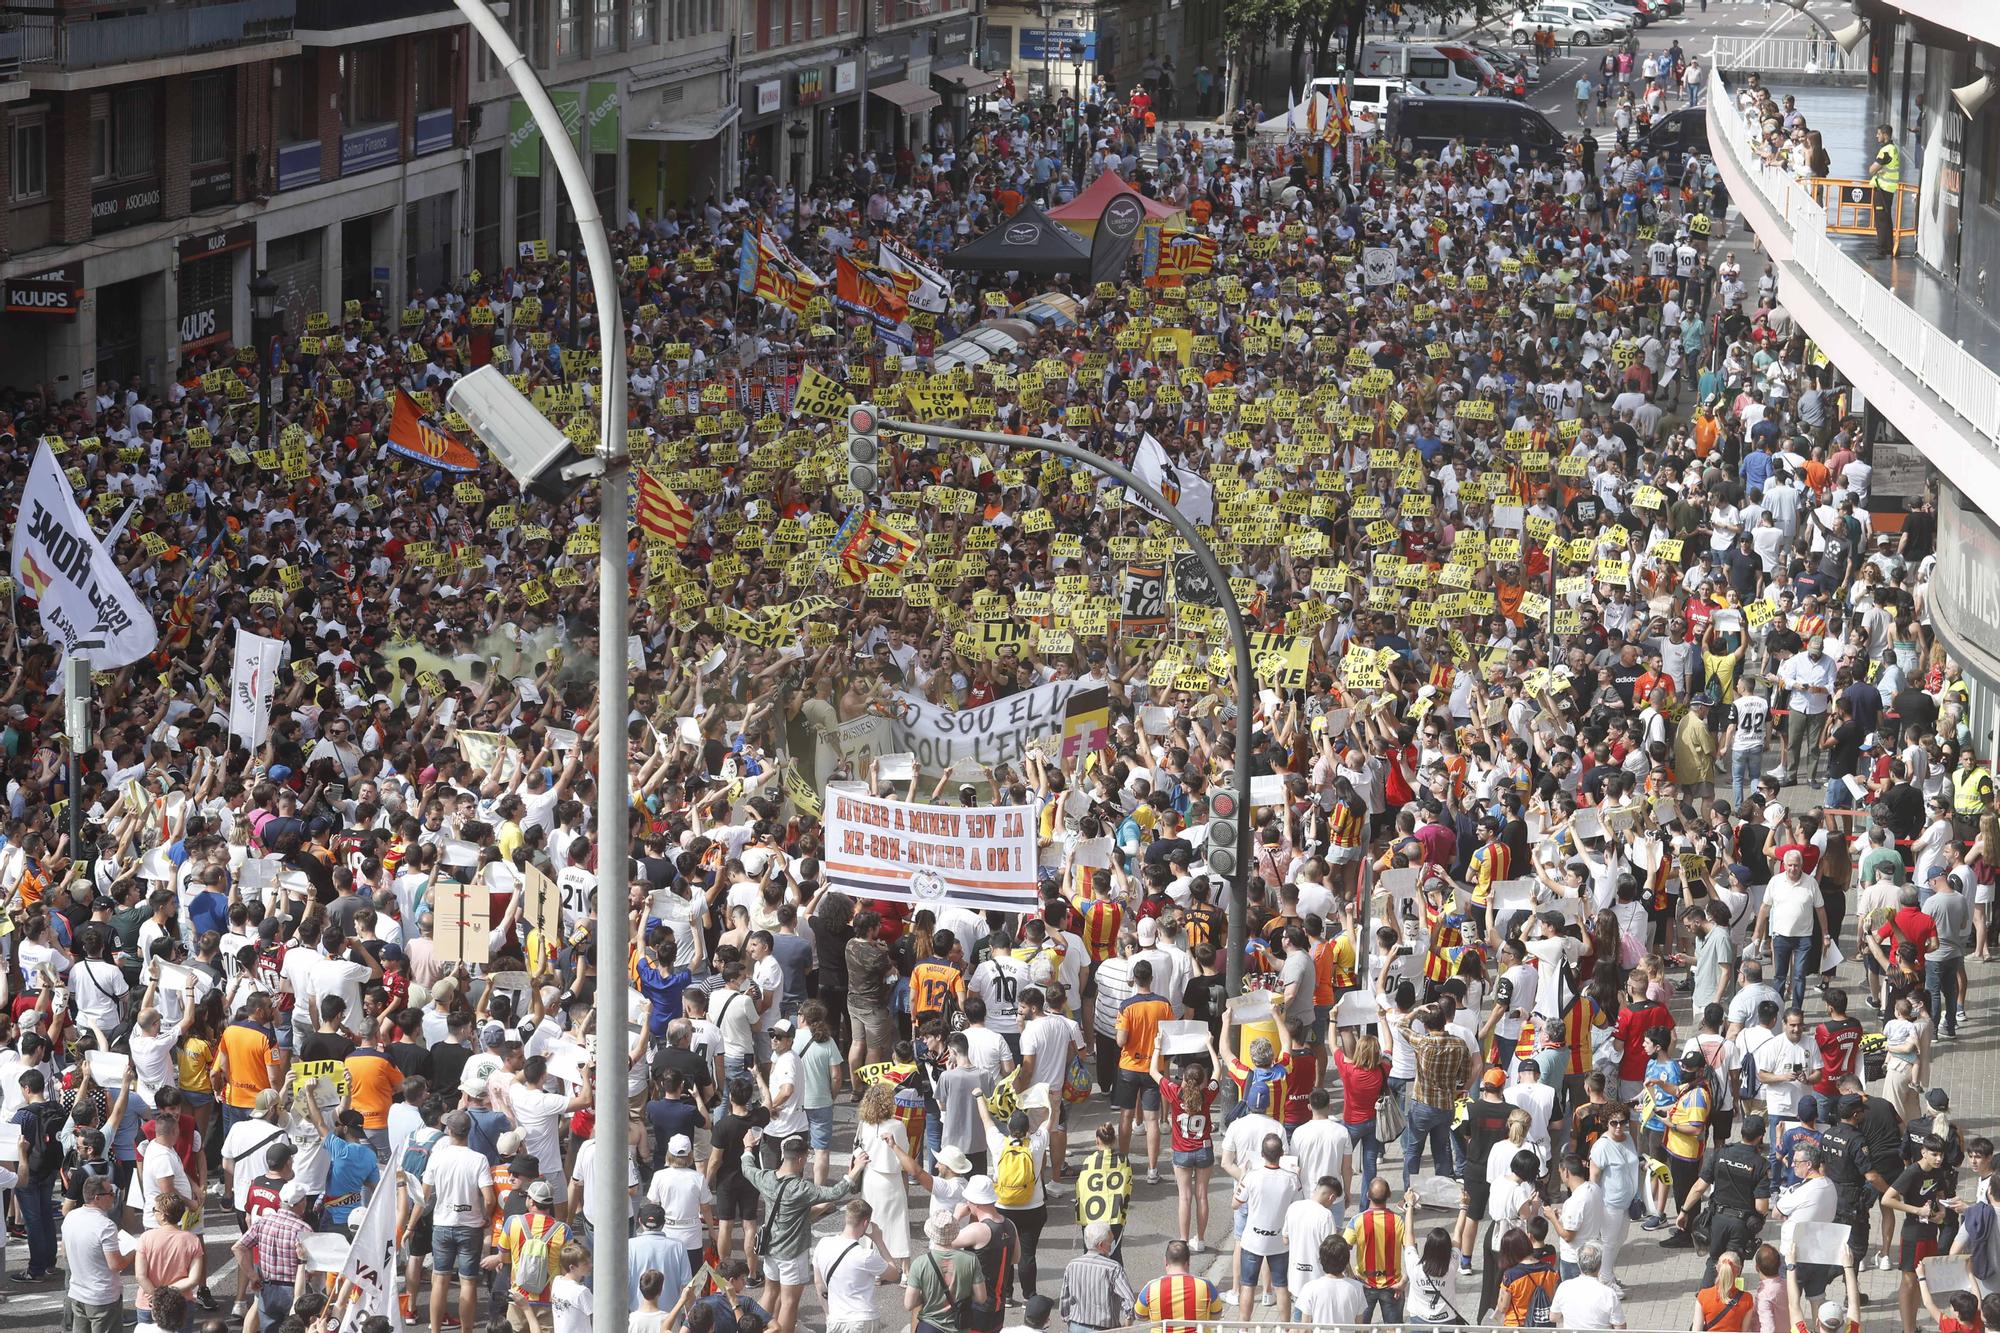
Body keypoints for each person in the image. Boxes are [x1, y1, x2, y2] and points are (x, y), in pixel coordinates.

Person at [738, 1130, 866, 1333]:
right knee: (789, 1302)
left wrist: (747, 1147)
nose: (805, 1162)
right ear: (799, 1159)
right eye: (805, 1159)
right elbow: (834, 1192)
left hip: (770, 1249)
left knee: (770, 1293)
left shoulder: (767, 1178)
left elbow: (747, 1167)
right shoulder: (801, 1188)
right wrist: (856, 1170)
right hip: (792, 1253)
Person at [813, 1199, 901, 1333]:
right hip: (863, 1320)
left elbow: (819, 1284)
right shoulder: (866, 1256)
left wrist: (828, 1314)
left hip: (836, 1319)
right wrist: (878, 1240)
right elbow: (894, 1274)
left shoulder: (823, 1244)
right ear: (866, 1223)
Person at [1058, 1222, 1135, 1331]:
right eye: (1110, 1241)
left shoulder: (1072, 1265)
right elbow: (1129, 1301)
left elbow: (1065, 1297)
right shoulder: (1113, 1268)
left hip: (1076, 1326)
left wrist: (1068, 1320)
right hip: (1104, 1328)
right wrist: (1127, 1325)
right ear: (1101, 1245)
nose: (1112, 1243)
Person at [1549, 1240, 1624, 1328]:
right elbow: (1620, 1327)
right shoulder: (1609, 1294)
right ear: (1600, 1265)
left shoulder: (1564, 1287)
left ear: (1578, 1263)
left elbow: (1553, 1317)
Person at [1870, 122, 1902, 258]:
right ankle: (1888, 247)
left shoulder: (1887, 150)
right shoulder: (1893, 148)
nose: (1877, 136)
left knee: (1881, 220)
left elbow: (1872, 169)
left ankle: (1881, 250)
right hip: (1887, 188)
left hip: (1883, 189)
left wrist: (1877, 169)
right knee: (1886, 219)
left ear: (1885, 134)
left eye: (1878, 134)